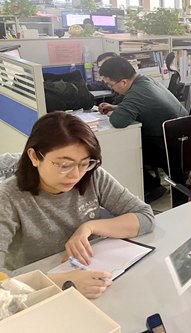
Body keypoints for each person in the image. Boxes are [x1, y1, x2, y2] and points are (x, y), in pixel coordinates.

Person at [0, 112, 154, 299]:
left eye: (84, 163)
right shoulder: (7, 198)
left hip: (92, 277)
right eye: (64, 165)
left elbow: (145, 217)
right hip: (37, 293)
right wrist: (65, 283)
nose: (75, 175)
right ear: (34, 157)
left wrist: (89, 227)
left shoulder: (92, 176)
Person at [98, 57, 188, 202]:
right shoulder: (145, 80)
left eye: (110, 85)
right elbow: (143, 104)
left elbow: (118, 121)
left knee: (128, 147)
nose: (111, 88)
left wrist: (115, 112)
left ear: (123, 82)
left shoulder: (136, 93)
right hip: (183, 138)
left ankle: (151, 187)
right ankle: (152, 186)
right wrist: (117, 107)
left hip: (167, 147)